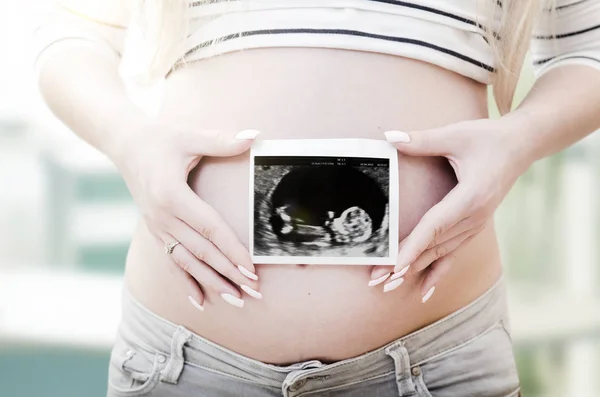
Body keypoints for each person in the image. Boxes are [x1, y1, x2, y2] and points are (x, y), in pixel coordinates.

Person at [34, 0, 600, 396]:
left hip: (436, 364)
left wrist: (517, 141)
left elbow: (589, 51)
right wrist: (130, 140)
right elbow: (71, 37)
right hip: (186, 364)